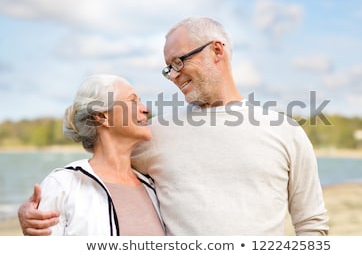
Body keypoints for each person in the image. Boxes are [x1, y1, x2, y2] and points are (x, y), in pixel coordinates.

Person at [18, 17, 329, 236]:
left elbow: (311, 224)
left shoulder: (285, 131)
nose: (174, 75)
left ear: (217, 51)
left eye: (179, 62)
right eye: (168, 68)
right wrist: (36, 211)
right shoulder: (154, 134)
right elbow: (99, 170)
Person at [21, 74, 165, 235]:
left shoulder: (153, 186)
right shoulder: (63, 186)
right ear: (102, 116)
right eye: (133, 101)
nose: (145, 109)